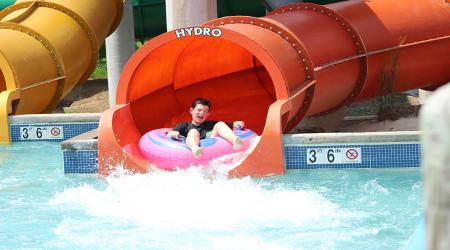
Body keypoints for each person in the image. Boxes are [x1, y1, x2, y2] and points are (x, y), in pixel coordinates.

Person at [167, 98, 245, 159]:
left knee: (220, 124)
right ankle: (195, 149)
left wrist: (237, 123)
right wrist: (173, 133)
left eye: (205, 111)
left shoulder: (210, 124)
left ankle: (235, 140)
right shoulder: (183, 125)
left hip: (211, 150)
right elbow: (169, 134)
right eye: (199, 110)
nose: (202, 113)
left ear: (207, 113)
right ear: (191, 110)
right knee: (193, 131)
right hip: (195, 150)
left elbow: (231, 125)